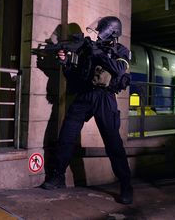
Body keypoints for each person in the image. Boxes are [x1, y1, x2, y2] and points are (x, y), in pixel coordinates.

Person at [40, 16, 133, 205]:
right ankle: (58, 177)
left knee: (113, 143)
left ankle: (126, 186)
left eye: (100, 30)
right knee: (66, 136)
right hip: (84, 95)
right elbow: (74, 77)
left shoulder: (121, 51)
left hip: (104, 98)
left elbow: (118, 69)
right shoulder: (88, 49)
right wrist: (65, 63)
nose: (97, 33)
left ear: (112, 32)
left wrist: (98, 53)